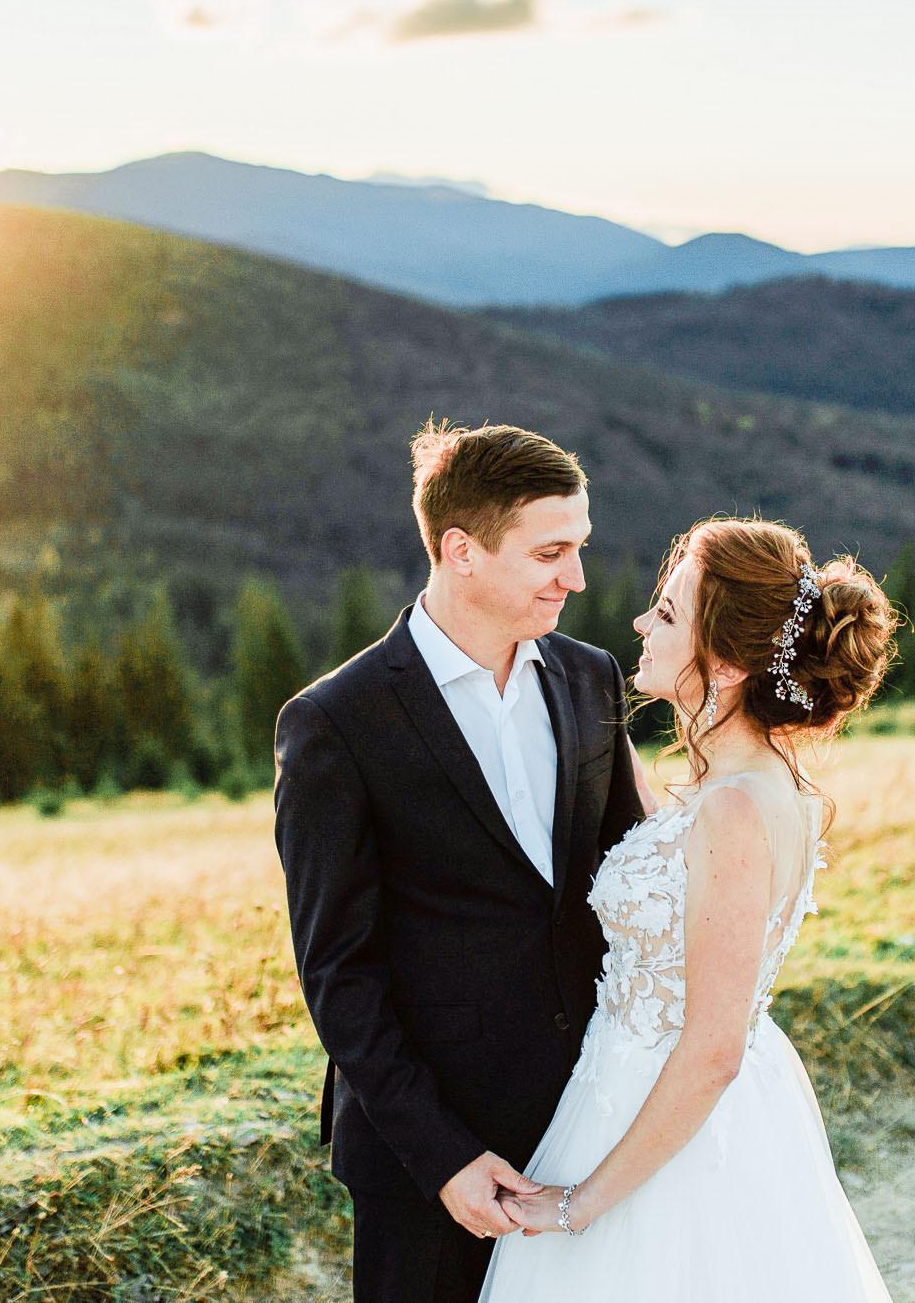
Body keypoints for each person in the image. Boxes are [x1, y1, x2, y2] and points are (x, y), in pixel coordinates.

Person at [479, 516, 898, 1302]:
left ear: (729, 663)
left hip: (671, 1125)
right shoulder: (738, 786)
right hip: (641, 1095)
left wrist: (580, 1206)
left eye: (668, 613)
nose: (643, 623)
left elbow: (712, 1050)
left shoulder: (734, 809)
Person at [273, 420, 646, 1303]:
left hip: (586, 1128)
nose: (576, 578)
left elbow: (627, 887)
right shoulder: (336, 722)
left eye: (579, 547)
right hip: (428, 1162)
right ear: (461, 551)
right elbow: (338, 974)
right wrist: (444, 1157)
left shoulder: (590, 677)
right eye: (549, 553)